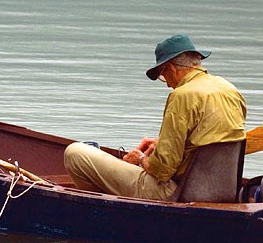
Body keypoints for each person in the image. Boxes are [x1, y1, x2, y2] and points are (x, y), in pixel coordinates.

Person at [64, 34, 247, 200]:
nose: (167, 84)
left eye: (162, 75)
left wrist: (141, 158)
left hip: (177, 194)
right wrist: (161, 143)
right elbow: (208, 139)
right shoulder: (229, 89)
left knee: (75, 153)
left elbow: (163, 170)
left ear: (171, 68)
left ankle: (104, 212)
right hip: (223, 193)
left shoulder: (182, 95)